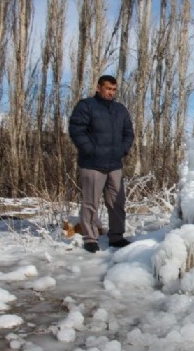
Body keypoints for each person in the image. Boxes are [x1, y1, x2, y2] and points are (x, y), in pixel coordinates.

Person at [69, 75, 135, 253]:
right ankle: (90, 238)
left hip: (115, 164)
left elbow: (128, 132)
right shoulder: (86, 106)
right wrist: (91, 150)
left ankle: (116, 236)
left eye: (114, 90)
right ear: (99, 88)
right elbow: (76, 130)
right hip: (92, 164)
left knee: (117, 202)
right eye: (108, 89)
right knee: (91, 203)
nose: (111, 92)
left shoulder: (120, 109)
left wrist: (122, 149)